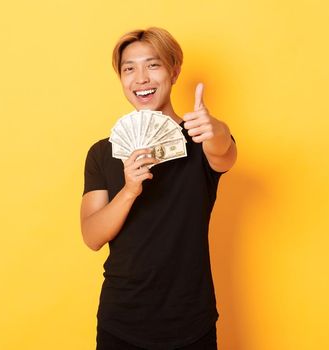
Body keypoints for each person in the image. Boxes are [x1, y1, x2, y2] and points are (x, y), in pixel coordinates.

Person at [80, 27, 237, 350]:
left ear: (174, 70)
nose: (141, 78)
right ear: (121, 78)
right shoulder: (101, 152)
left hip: (191, 321)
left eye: (153, 65)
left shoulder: (201, 140)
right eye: (129, 68)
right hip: (120, 320)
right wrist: (129, 190)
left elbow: (225, 153)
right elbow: (92, 236)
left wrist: (216, 129)